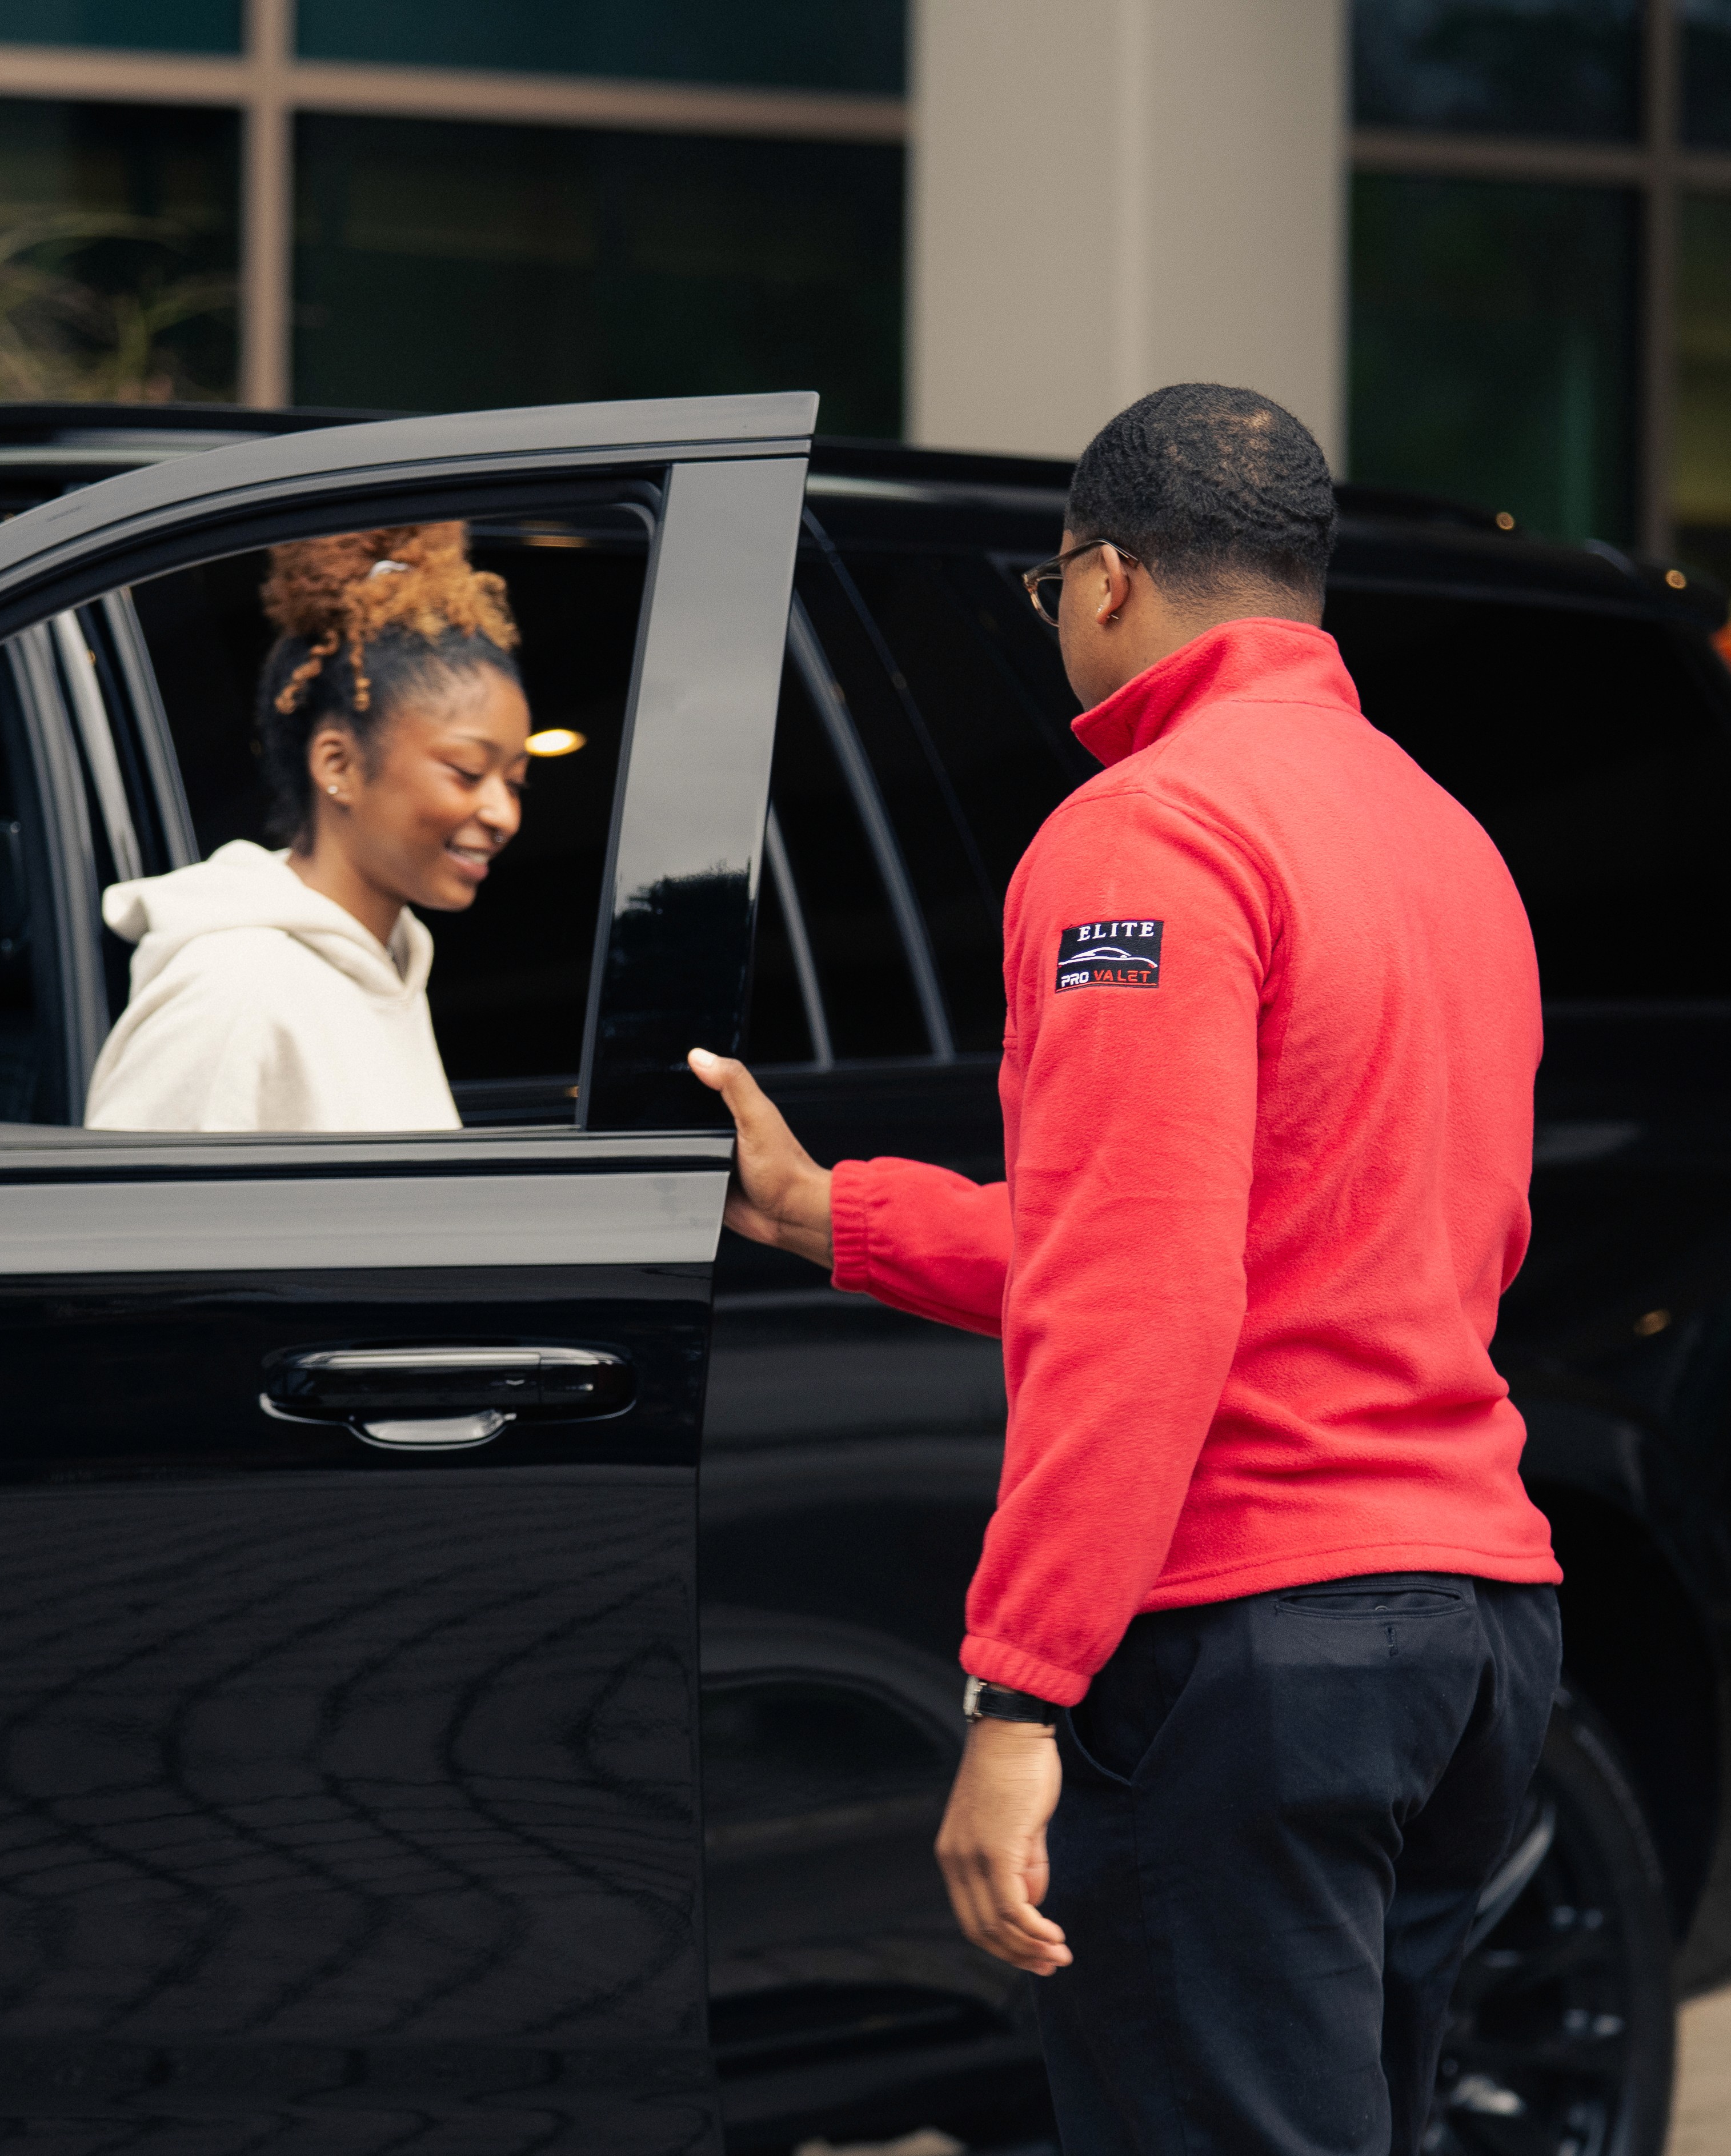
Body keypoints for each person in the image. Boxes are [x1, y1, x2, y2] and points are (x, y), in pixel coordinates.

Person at [690, 384, 1563, 2156]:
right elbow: (1263, 1247)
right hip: (1469, 1642)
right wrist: (820, 1212)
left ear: (1100, 579)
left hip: (1253, 1650)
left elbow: (1141, 1295)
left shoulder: (1149, 837)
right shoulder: (1451, 843)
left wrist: (1021, 1689)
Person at [87, 523, 530, 1133]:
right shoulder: (236, 994)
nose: (505, 814)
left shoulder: (388, 968)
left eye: (514, 782)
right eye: (467, 771)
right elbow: (121, 1227)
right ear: (338, 764)